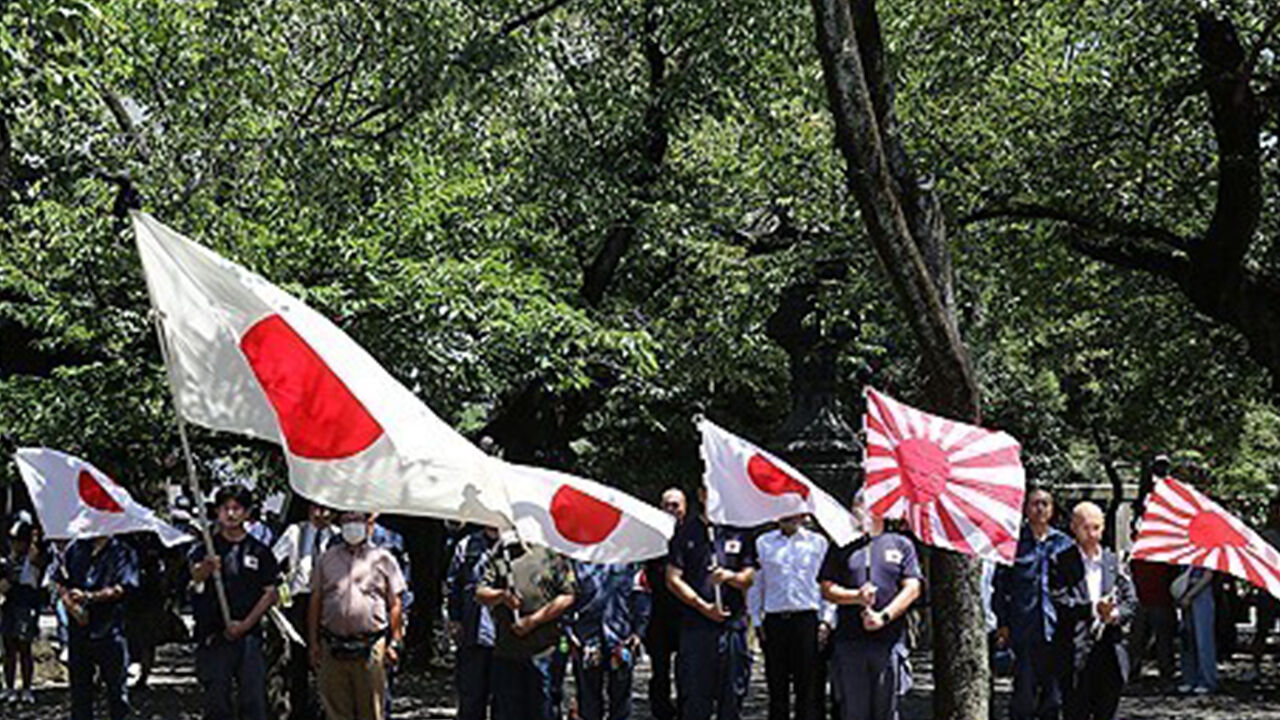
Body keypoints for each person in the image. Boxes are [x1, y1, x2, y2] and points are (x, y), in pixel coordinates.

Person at [819, 492, 923, 720]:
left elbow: (913, 588)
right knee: (854, 712)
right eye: (856, 505)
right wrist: (856, 596)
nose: (858, 510)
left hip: (888, 643)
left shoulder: (901, 544)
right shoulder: (842, 545)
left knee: (886, 712)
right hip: (850, 643)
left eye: (864, 505)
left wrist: (884, 616)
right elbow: (826, 588)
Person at [189, 484, 280, 720]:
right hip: (214, 636)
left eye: (237, 508)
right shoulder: (205, 548)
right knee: (216, 702)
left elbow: (270, 594)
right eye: (225, 508)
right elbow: (194, 578)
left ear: (247, 512)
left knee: (253, 701)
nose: (230, 514)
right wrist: (206, 569)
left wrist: (245, 625)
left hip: (249, 637)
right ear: (217, 511)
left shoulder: (260, 551)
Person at [666, 487, 757, 720]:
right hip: (697, 628)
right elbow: (673, 579)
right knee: (696, 698)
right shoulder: (685, 532)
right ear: (700, 495)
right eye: (709, 491)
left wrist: (729, 577)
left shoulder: (738, 531)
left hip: (732, 626)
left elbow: (749, 577)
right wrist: (702, 606)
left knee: (732, 697)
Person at [309, 510, 406, 720]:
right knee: (336, 710)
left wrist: (395, 642)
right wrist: (314, 642)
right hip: (332, 645)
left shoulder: (383, 559)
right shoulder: (326, 559)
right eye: (346, 520)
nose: (352, 525)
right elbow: (315, 602)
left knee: (372, 710)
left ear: (368, 522)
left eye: (357, 519)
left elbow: (395, 603)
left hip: (370, 646)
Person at [993, 488, 1073, 720]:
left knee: (1054, 694)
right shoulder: (1014, 544)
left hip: (1056, 627)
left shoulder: (1064, 543)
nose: (1040, 508)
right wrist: (1003, 623)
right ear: (1026, 509)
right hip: (1024, 626)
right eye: (1035, 504)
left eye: (1045, 503)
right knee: (1024, 692)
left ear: (1052, 509)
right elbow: (1001, 588)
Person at [1050, 502, 1136, 720]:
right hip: (1075, 651)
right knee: (1075, 711)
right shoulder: (1060, 561)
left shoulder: (1114, 561)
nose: (1091, 534)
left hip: (1110, 651)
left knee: (1106, 711)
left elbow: (1130, 600)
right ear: (1073, 527)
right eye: (1085, 528)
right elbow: (1059, 601)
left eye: (1096, 527)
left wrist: (1115, 615)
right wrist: (1092, 609)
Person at [475, 537, 577, 720]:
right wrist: (502, 596)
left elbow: (567, 596)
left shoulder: (549, 554)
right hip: (507, 651)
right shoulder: (500, 556)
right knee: (507, 711)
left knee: (542, 709)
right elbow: (481, 593)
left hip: (542, 652)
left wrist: (534, 621)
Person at [748, 514, 832, 720]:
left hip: (808, 620)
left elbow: (827, 583)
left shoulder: (818, 542)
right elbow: (757, 584)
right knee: (777, 689)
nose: (790, 516)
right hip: (775, 621)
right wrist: (756, 620)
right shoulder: (763, 543)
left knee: (810, 690)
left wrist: (826, 620)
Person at [56, 533, 140, 720]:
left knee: (117, 693)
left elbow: (123, 588)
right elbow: (61, 581)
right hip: (79, 632)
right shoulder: (76, 548)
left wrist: (89, 597)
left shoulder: (123, 552)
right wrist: (72, 606)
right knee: (80, 694)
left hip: (110, 630)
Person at [273, 500, 336, 720]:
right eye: (318, 508)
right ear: (310, 509)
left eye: (328, 509)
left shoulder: (337, 536)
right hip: (300, 601)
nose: (323, 514)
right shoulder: (295, 532)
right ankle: (298, 709)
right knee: (297, 657)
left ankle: (326, 709)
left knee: (327, 657)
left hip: (329, 602)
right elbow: (273, 560)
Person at [570, 560, 650, 720]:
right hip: (587, 640)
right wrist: (570, 632)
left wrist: (638, 632)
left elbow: (641, 596)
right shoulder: (578, 563)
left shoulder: (630, 562)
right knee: (588, 699)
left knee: (621, 699)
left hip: (621, 638)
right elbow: (567, 597)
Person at [643, 487, 687, 720]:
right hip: (658, 614)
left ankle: (684, 710)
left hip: (686, 613)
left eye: (676, 505)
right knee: (659, 671)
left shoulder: (692, 535)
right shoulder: (650, 538)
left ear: (685, 508)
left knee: (686, 670)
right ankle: (661, 712)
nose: (671, 509)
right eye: (667, 504)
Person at [447, 525, 500, 720]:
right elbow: (454, 585)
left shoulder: (516, 543)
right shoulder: (467, 545)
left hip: (507, 638)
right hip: (473, 633)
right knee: (471, 698)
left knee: (504, 701)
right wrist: (454, 619)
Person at [2, 519, 48, 704]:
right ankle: (10, 686)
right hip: (9, 604)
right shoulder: (8, 559)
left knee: (24, 646)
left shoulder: (33, 558)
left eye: (19, 540)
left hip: (27, 603)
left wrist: (34, 540)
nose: (15, 544)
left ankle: (27, 687)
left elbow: (37, 561)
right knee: (8, 647)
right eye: (13, 540)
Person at [1174, 565, 1217, 694]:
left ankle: (1206, 680)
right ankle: (1189, 678)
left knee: (1203, 640)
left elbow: (1208, 576)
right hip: (1186, 591)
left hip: (1201, 593)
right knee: (1187, 639)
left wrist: (1190, 595)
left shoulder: (1209, 550)